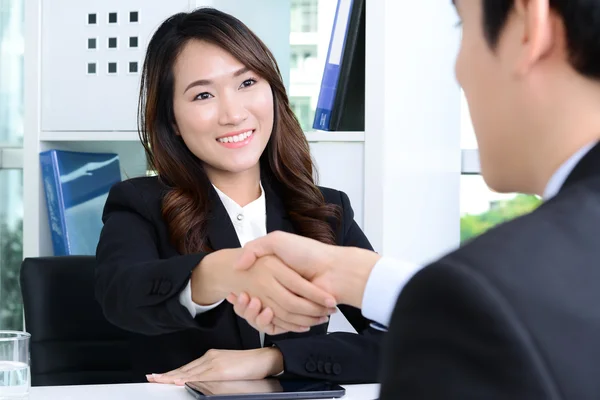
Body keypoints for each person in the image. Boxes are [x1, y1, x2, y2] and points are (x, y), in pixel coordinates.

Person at [228, 0, 600, 398]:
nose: (458, 73)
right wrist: (372, 279)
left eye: (462, 26)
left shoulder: (491, 293)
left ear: (528, 26)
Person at [94, 7, 383, 385]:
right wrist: (223, 271)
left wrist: (274, 359)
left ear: (273, 93)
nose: (232, 114)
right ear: (173, 122)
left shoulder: (325, 212)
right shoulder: (139, 204)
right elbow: (122, 296)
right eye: (202, 95)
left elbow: (410, 340)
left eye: (246, 83)